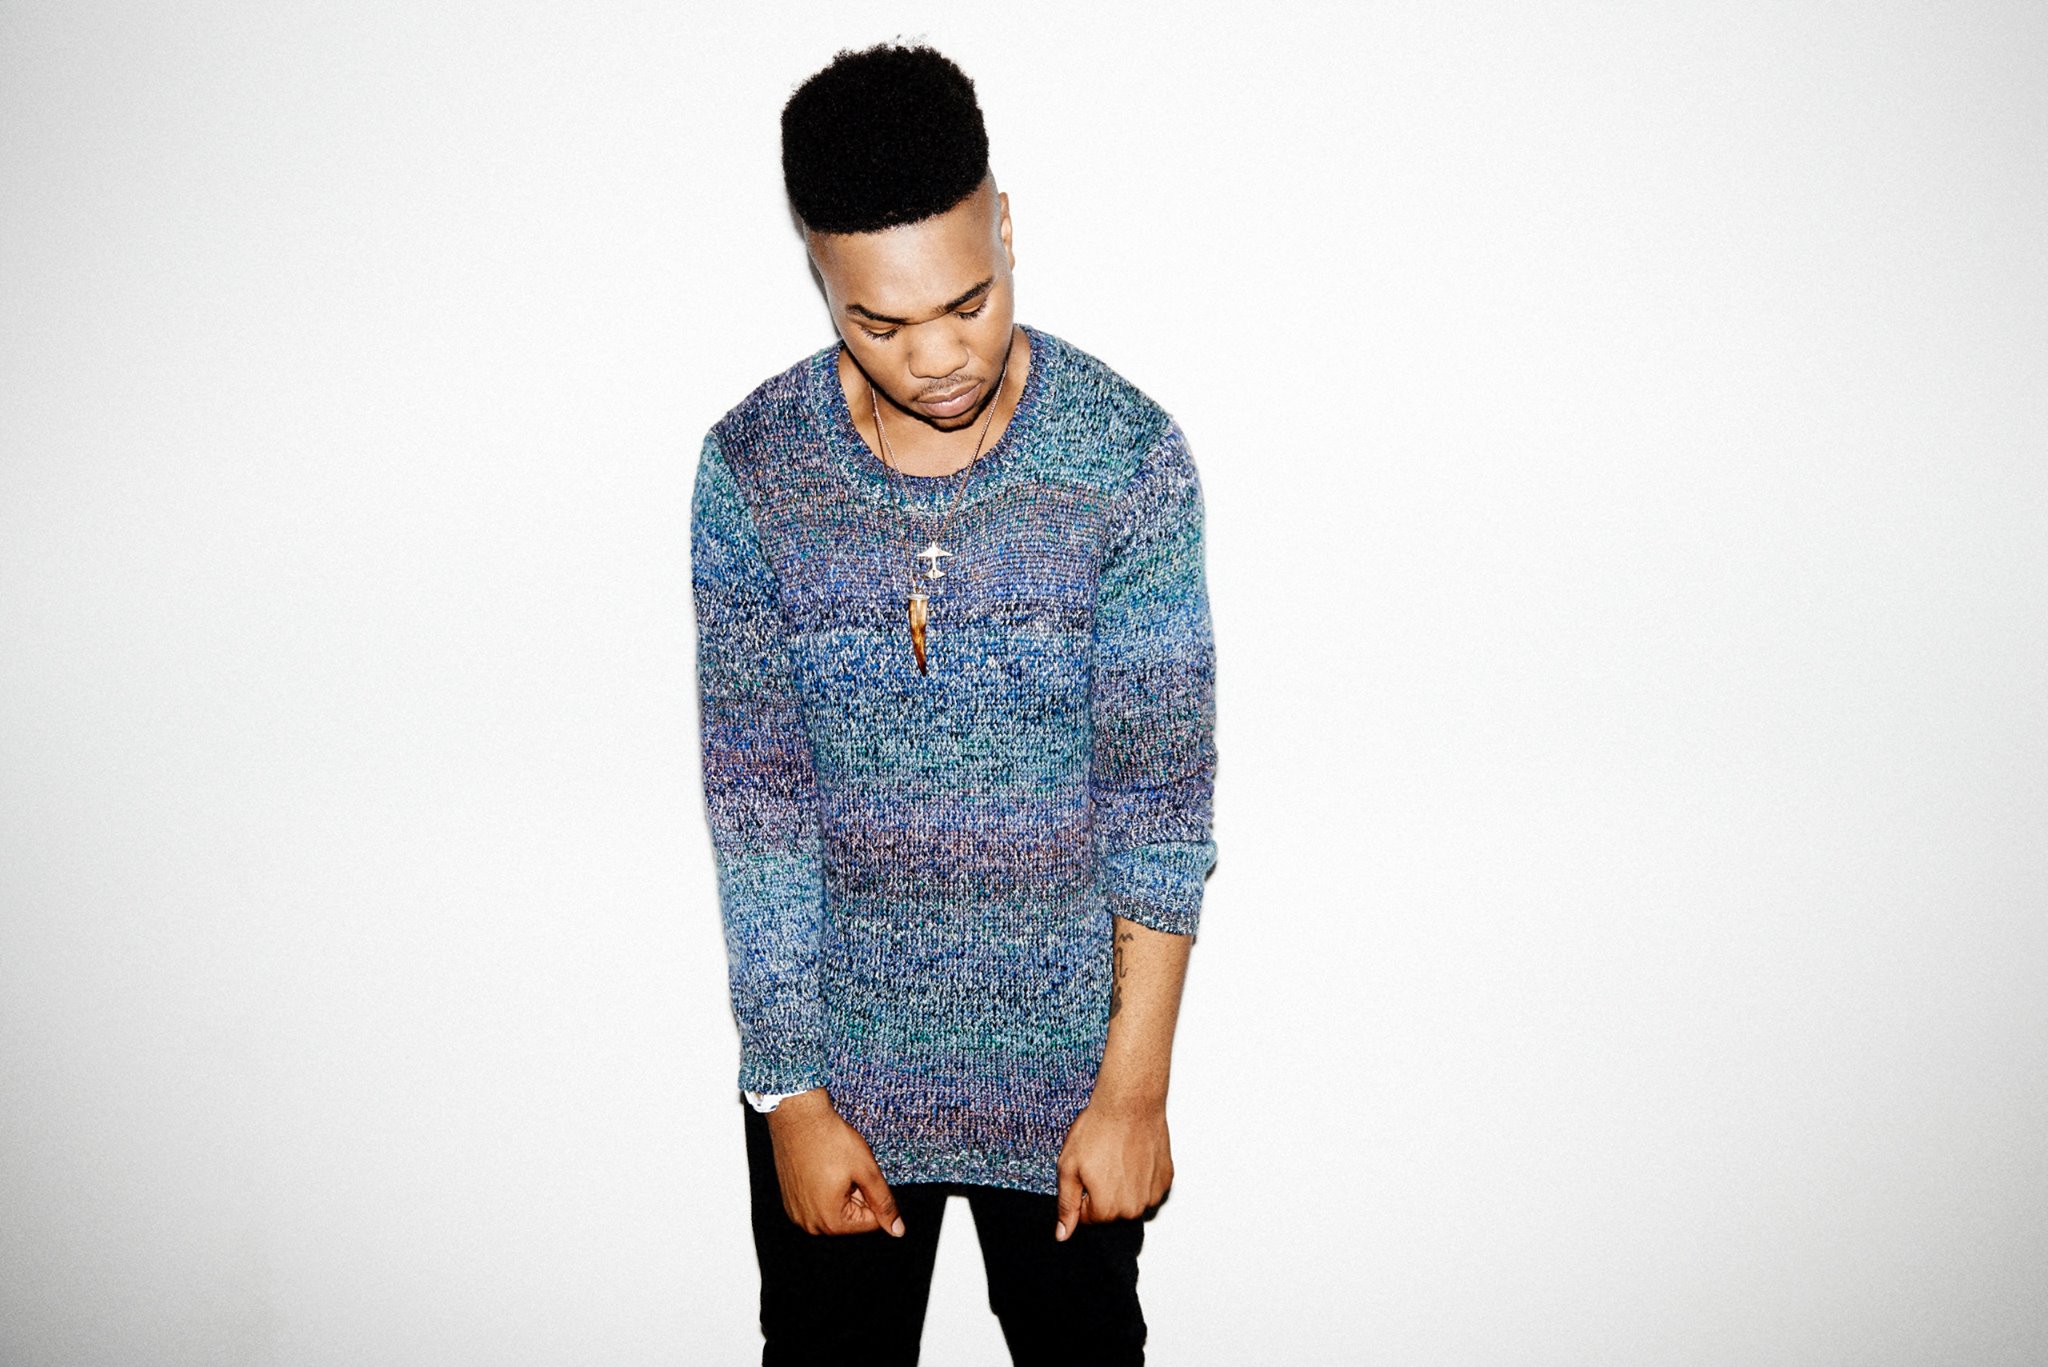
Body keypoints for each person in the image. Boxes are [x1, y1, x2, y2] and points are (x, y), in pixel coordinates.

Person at [689, 41, 1218, 1366]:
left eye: (966, 303)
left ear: (1006, 226)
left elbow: (1160, 808)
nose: (934, 357)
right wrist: (789, 1096)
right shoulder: (755, 473)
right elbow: (758, 816)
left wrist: (1134, 1093)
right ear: (820, 275)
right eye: (878, 323)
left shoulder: (1125, 459)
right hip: (839, 1083)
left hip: (1072, 1076)